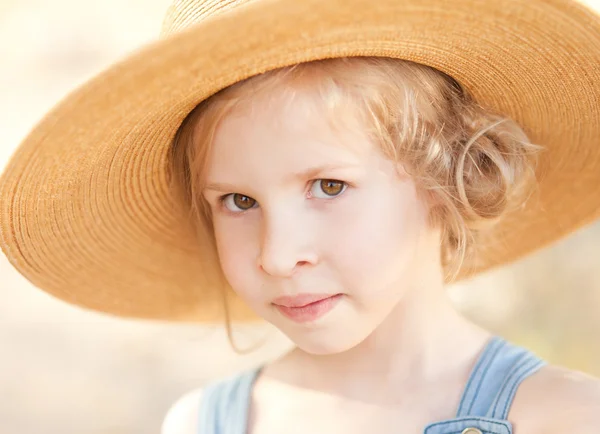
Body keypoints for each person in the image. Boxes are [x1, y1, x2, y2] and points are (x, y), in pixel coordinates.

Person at [1, 0, 599, 433]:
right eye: (238, 202)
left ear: (444, 174)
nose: (277, 255)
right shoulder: (205, 424)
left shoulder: (562, 418)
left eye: (328, 185)